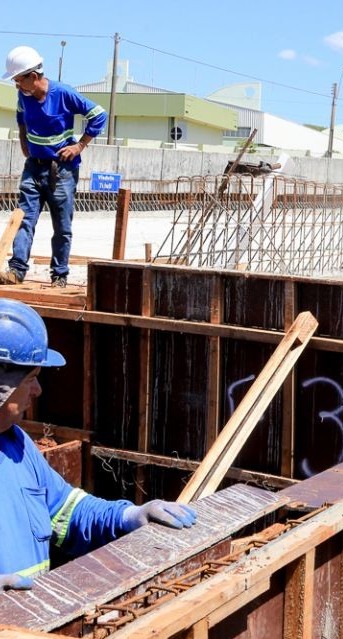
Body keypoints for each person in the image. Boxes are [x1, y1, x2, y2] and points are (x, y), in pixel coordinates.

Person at [0, 298, 196, 590]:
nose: (38, 390)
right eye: (31, 378)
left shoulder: (17, 446)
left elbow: (68, 512)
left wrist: (129, 516)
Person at [0, 46, 108, 288]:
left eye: (19, 80)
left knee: (62, 226)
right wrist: (23, 139)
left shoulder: (63, 94)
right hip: (33, 168)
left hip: (62, 171)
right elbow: (21, 118)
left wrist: (79, 146)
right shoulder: (23, 96)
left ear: (34, 77)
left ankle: (59, 275)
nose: (17, 86)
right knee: (24, 218)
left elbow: (99, 114)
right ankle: (16, 270)